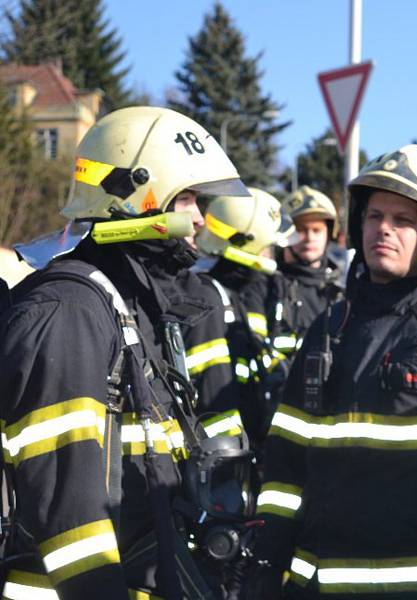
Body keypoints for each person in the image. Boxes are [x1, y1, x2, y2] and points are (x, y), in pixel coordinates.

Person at [0, 105, 249, 599]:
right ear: (134, 197)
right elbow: (68, 517)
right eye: (187, 200)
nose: (200, 219)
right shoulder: (69, 310)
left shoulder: (130, 307)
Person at [252, 144, 417, 599]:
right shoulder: (330, 325)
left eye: (403, 221)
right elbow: (284, 465)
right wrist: (264, 570)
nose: (384, 230)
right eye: (374, 216)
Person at [191, 187, 294, 445]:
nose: (270, 255)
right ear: (246, 243)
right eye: (267, 247)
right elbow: (210, 391)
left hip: (248, 433)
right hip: (223, 451)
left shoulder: (241, 291)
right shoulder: (206, 295)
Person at [266, 185, 343, 362]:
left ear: (329, 234)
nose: (309, 237)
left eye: (317, 230)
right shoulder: (267, 286)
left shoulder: (340, 291)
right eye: (300, 230)